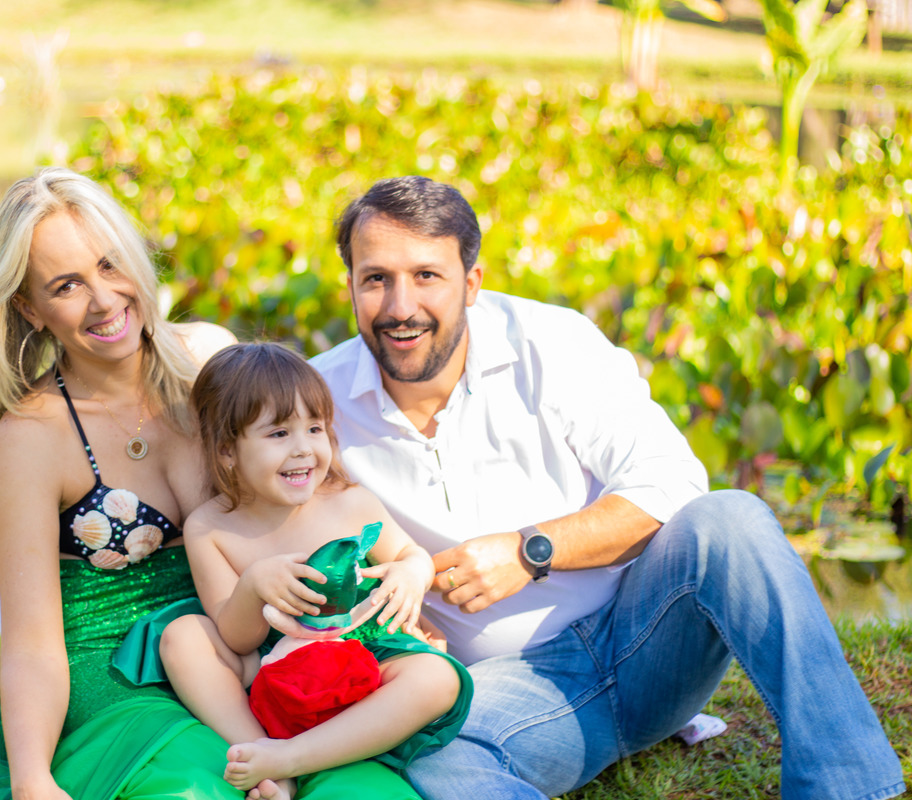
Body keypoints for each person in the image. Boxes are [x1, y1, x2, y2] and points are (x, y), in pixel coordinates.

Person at [0, 168, 421, 800]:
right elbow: (31, 643)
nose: (103, 300)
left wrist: (387, 590)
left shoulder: (211, 361)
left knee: (368, 793)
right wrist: (31, 780)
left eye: (110, 264)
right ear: (29, 308)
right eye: (67, 285)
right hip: (111, 683)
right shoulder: (35, 436)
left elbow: (309, 497)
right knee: (200, 791)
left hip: (240, 658)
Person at [309, 175, 906, 800]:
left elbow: (673, 482)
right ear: (350, 285)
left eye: (427, 275)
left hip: (647, 640)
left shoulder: (552, 342)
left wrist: (527, 551)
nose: (401, 306)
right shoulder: (315, 407)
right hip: (502, 695)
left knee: (729, 519)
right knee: (435, 764)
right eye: (376, 278)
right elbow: (274, 531)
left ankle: (852, 787)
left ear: (472, 284)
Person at [155, 343, 471, 800]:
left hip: (363, 660)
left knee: (437, 678)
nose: (304, 449)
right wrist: (253, 585)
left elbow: (411, 553)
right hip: (274, 670)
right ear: (227, 451)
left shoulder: (349, 502)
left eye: (315, 428)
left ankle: (288, 759)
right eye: (279, 434)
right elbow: (235, 637)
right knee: (184, 637)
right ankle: (257, 749)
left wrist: (411, 573)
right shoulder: (211, 527)